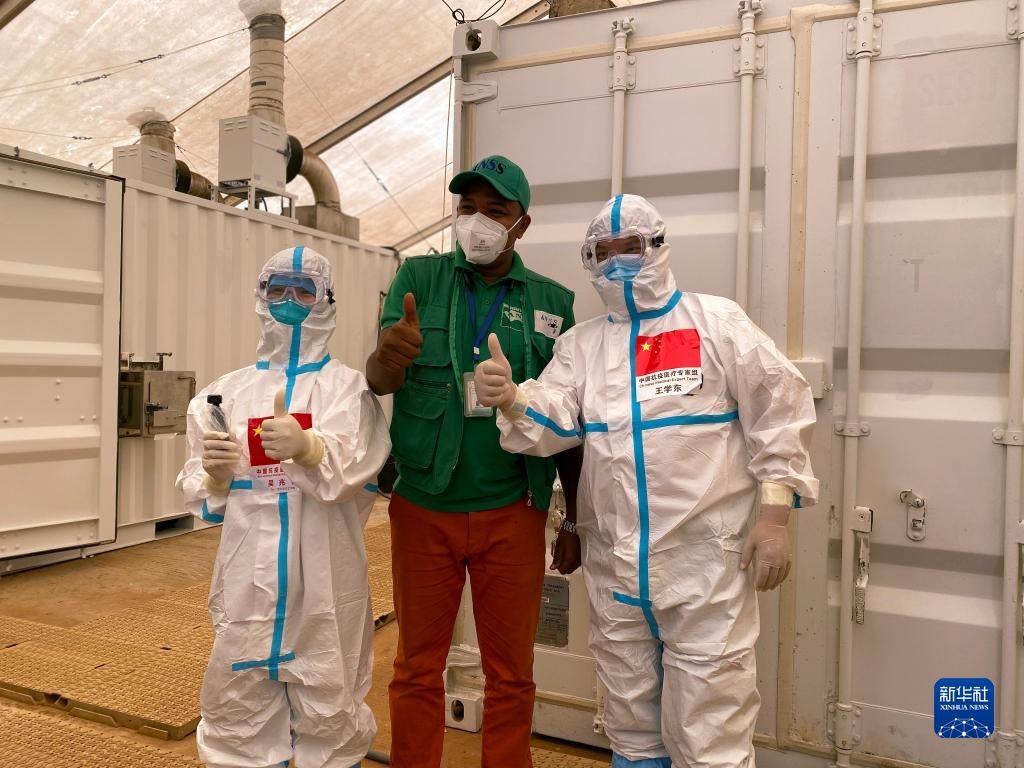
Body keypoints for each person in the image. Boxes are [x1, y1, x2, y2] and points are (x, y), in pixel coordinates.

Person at [474, 194, 819, 768]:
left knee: (710, 732)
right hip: (616, 571)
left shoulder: (716, 323)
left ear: (657, 245)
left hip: (704, 568)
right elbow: (555, 419)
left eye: (628, 248)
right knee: (630, 727)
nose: (615, 264)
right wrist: (513, 399)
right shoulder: (582, 345)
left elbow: (779, 406)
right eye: (601, 253)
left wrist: (775, 514)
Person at [365, 155, 584, 768]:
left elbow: (570, 422)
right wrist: (388, 355)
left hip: (514, 511)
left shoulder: (553, 303)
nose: (478, 221)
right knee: (416, 666)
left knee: (511, 672)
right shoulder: (419, 278)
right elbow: (379, 380)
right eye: (468, 208)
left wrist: (572, 519)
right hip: (423, 506)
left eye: (495, 210)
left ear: (522, 224)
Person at [177, 245, 391, 768]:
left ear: (327, 300)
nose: (289, 300)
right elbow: (204, 499)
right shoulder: (223, 396)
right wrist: (216, 477)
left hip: (326, 578)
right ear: (260, 296)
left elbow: (358, 471)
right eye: (277, 289)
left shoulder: (349, 391)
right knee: (237, 704)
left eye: (304, 290)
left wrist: (311, 449)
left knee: (331, 699)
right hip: (246, 579)